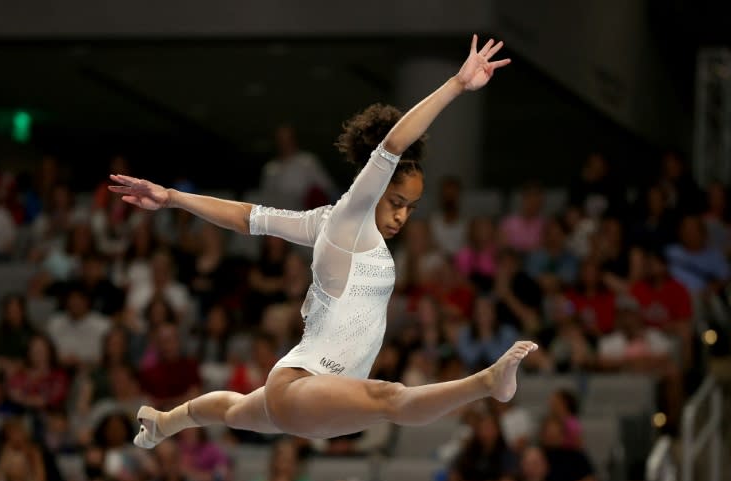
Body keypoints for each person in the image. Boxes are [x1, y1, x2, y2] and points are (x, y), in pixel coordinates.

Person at [109, 35, 536, 448]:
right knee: (390, 398)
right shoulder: (349, 218)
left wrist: (173, 199)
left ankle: (164, 422)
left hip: (319, 402)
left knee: (236, 410)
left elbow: (247, 217)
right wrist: (457, 85)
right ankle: (486, 382)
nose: (402, 216)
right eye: (397, 202)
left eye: (412, 208)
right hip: (303, 386)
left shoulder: (325, 223)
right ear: (377, 188)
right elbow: (393, 144)